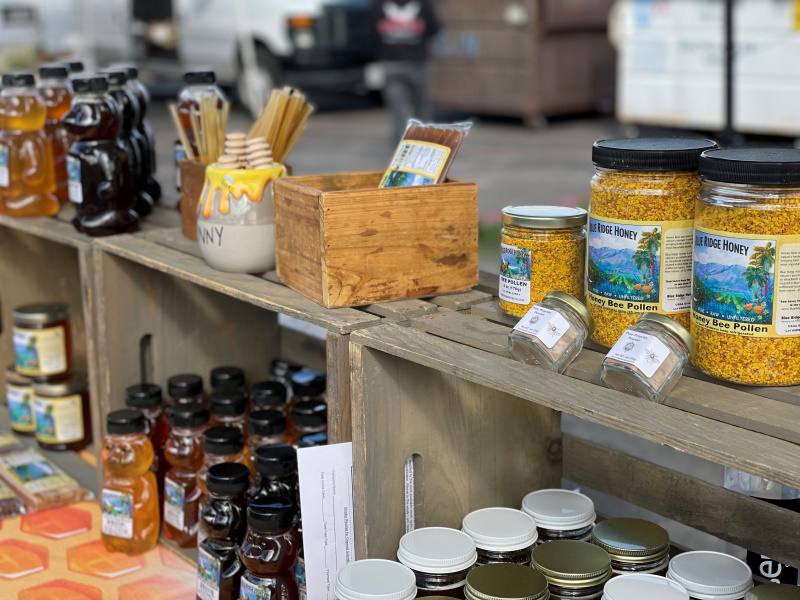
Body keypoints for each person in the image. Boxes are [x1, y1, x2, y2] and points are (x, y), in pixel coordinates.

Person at [371, 0, 442, 142]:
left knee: (399, 109)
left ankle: (402, 144)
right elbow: (434, 28)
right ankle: (423, 143)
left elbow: (371, 32)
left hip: (392, 63)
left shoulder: (378, 4)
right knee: (421, 108)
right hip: (416, 62)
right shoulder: (424, 3)